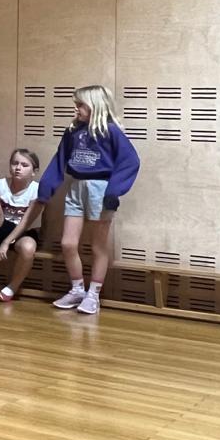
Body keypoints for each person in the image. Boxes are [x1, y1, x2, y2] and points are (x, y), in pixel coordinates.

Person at [39, 85, 140, 316]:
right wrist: (46, 187)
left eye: (80, 105)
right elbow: (59, 160)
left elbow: (130, 161)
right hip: (76, 187)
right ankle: (77, 289)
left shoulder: (111, 131)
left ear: (95, 106)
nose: (76, 109)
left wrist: (113, 192)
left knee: (97, 246)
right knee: (68, 243)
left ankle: (93, 295)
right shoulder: (73, 131)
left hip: (100, 190)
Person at [0, 149, 44, 302]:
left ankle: (11, 288)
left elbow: (25, 223)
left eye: (24, 165)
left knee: (28, 248)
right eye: (15, 163)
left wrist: (5, 243)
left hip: (21, 232)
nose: (18, 168)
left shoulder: (37, 190)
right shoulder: (0, 184)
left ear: (34, 171)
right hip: (0, 228)